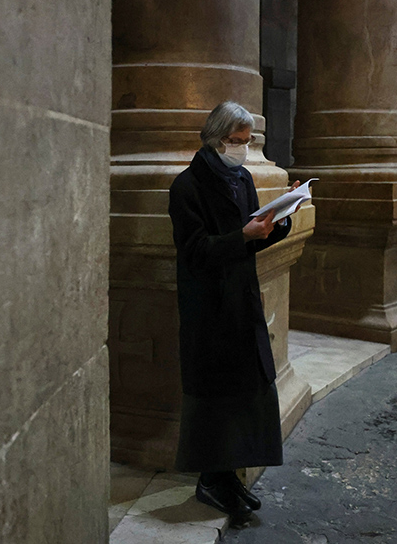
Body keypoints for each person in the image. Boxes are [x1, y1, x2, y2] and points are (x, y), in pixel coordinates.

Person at [167, 101, 301, 518]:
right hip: (208, 307)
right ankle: (211, 479)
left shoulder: (241, 178)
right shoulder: (186, 186)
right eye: (235, 142)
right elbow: (194, 252)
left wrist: (279, 221)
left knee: (246, 392)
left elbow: (250, 237)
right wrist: (242, 235)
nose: (242, 149)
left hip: (241, 301)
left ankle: (229, 478)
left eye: (246, 142)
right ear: (215, 139)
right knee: (215, 397)